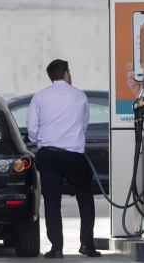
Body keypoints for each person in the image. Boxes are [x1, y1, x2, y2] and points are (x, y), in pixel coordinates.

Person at [26, 59, 101, 258]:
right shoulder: (79, 95)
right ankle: (87, 245)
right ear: (66, 74)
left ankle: (56, 249)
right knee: (85, 198)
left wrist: (40, 140)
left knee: (51, 201)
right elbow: (84, 125)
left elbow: (32, 128)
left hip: (48, 155)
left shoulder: (40, 96)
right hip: (74, 155)